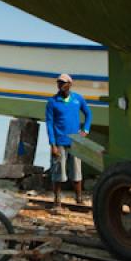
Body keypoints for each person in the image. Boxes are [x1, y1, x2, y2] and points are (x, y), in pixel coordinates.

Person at [45, 73, 92, 212]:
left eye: (63, 83)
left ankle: (79, 199)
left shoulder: (78, 99)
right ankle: (57, 200)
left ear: (70, 84)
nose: (61, 85)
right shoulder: (52, 102)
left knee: (77, 171)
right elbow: (49, 123)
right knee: (58, 172)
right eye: (59, 83)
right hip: (59, 142)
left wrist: (86, 129)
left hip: (75, 141)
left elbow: (88, 113)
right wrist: (52, 144)